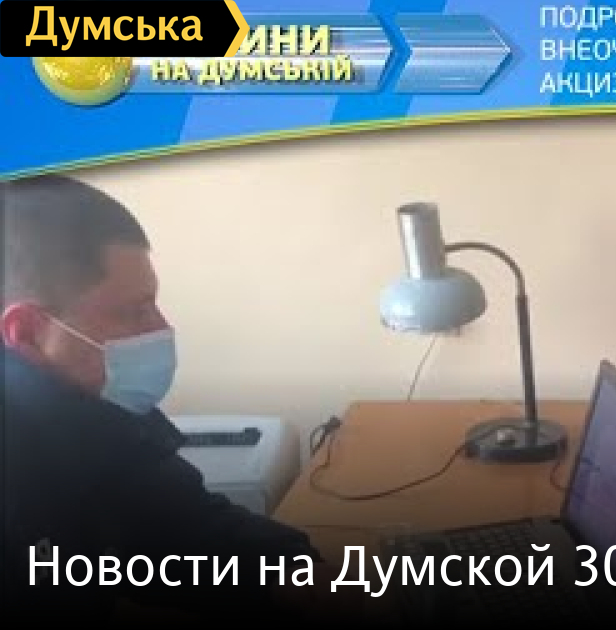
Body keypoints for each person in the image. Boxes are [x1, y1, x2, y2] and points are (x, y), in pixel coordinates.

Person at [1, 175, 366, 622]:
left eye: (153, 304)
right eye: (134, 311)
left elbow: (183, 528)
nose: (162, 328)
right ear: (27, 333)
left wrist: (292, 570)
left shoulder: (94, 412)